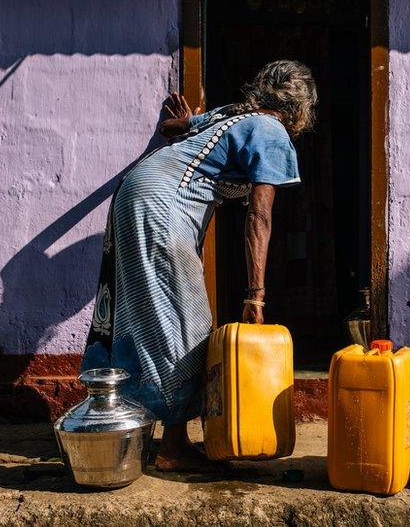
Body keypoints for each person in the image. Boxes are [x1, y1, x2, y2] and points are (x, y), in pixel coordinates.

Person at [82, 60, 317, 471]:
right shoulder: (272, 131)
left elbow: (176, 131)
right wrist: (256, 295)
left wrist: (183, 119)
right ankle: (173, 448)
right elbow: (259, 217)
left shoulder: (232, 113)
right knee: (186, 323)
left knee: (145, 317)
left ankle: (135, 432)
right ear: (300, 111)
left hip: (134, 192)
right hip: (160, 205)